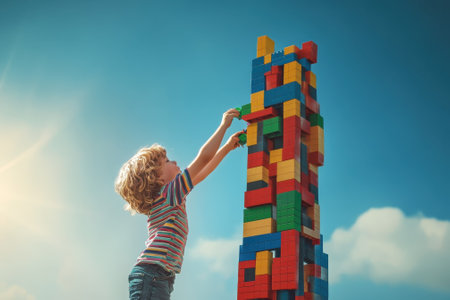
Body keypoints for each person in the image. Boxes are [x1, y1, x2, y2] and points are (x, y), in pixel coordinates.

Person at [115, 108, 243, 299]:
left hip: (158, 277)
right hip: (152, 276)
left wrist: (226, 148)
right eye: (167, 161)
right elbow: (203, 158)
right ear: (157, 178)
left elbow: (203, 171)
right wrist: (223, 126)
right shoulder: (169, 194)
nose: (174, 161)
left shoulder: (170, 198)